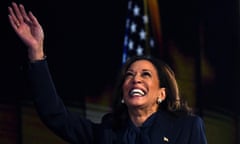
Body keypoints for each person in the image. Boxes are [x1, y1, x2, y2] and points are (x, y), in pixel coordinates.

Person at [8, 2, 208, 144]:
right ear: (123, 93)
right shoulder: (107, 132)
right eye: (129, 75)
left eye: (145, 74)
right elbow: (55, 115)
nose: (135, 79)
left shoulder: (187, 128)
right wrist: (36, 52)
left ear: (162, 94)